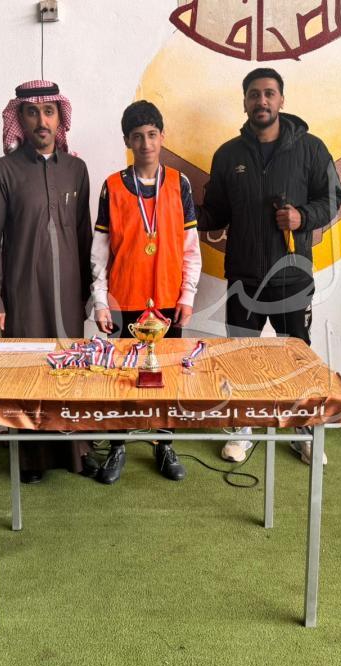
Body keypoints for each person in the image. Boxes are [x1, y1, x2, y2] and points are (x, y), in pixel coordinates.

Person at [196, 68, 341, 464]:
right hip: (243, 277)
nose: (261, 101)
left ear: (281, 99)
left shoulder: (311, 148)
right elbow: (216, 212)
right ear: (244, 101)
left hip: (292, 276)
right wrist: (180, 212)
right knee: (240, 356)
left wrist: (302, 217)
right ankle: (243, 428)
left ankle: (301, 431)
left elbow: (334, 197)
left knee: (296, 358)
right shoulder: (228, 155)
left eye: (269, 93)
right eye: (254, 94)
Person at [0, 80, 95, 484]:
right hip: (22, 290)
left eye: (49, 112)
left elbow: (84, 236)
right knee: (30, 371)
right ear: (20, 119)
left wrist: (91, 295)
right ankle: (31, 460)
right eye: (32, 113)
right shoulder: (2, 171)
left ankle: (76, 452)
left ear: (60, 118)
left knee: (70, 369)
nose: (41, 121)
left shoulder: (77, 170)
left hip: (68, 292)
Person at [90, 100, 202, 484]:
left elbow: (190, 248)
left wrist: (187, 296)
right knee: (121, 376)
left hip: (168, 300)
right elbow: (100, 251)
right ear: (127, 141)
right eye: (137, 137)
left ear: (162, 137)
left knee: (167, 375)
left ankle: (164, 444)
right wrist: (101, 301)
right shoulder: (112, 186)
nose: (146, 144)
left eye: (152, 135)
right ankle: (117, 445)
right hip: (124, 300)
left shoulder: (179, 184)